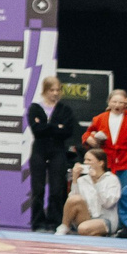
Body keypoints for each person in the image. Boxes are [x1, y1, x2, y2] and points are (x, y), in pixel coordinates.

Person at [26, 76, 80, 232]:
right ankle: (37, 222)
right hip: (39, 150)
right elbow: (36, 130)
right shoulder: (35, 108)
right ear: (45, 91)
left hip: (58, 151)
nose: (55, 93)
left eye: (58, 90)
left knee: (57, 188)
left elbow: (67, 131)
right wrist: (56, 127)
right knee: (38, 189)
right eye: (52, 90)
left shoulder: (65, 109)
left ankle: (54, 222)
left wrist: (46, 126)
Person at [62, 149, 120, 237]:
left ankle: (97, 232)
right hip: (87, 216)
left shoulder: (112, 179)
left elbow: (108, 203)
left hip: (106, 219)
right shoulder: (82, 180)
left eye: (89, 160)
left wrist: (96, 183)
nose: (85, 162)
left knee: (83, 228)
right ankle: (64, 227)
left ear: (101, 163)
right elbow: (71, 201)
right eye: (85, 160)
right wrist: (75, 179)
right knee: (75, 199)